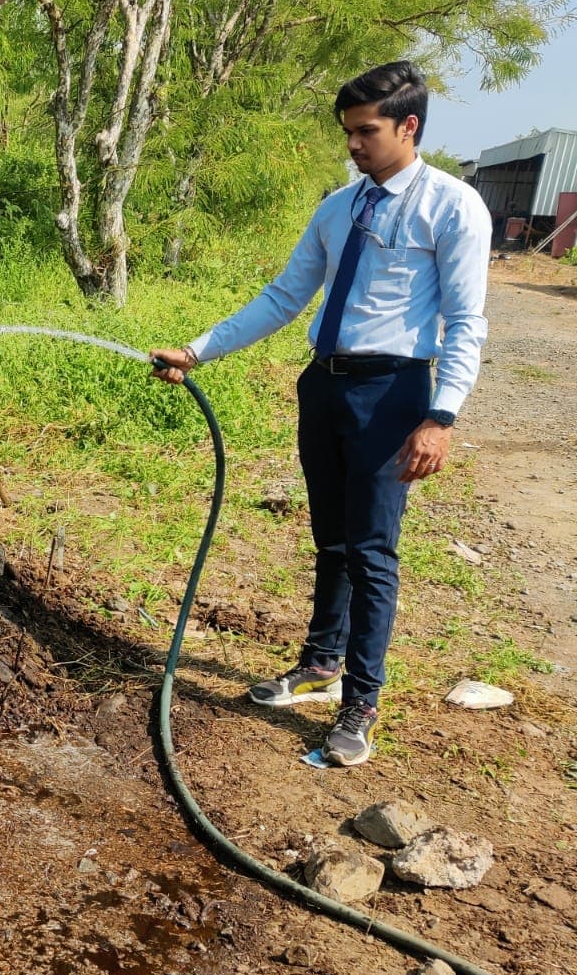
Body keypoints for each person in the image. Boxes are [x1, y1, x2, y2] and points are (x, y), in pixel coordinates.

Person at [150, 60, 491, 768]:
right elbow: (284, 297)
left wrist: (442, 416)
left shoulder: (451, 207)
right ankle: (320, 664)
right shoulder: (339, 207)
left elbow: (466, 322)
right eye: (347, 133)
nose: (354, 146)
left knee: (371, 552)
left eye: (366, 131)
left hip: (393, 391)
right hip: (326, 386)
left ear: (409, 126)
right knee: (331, 540)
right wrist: (196, 350)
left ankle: (360, 701)